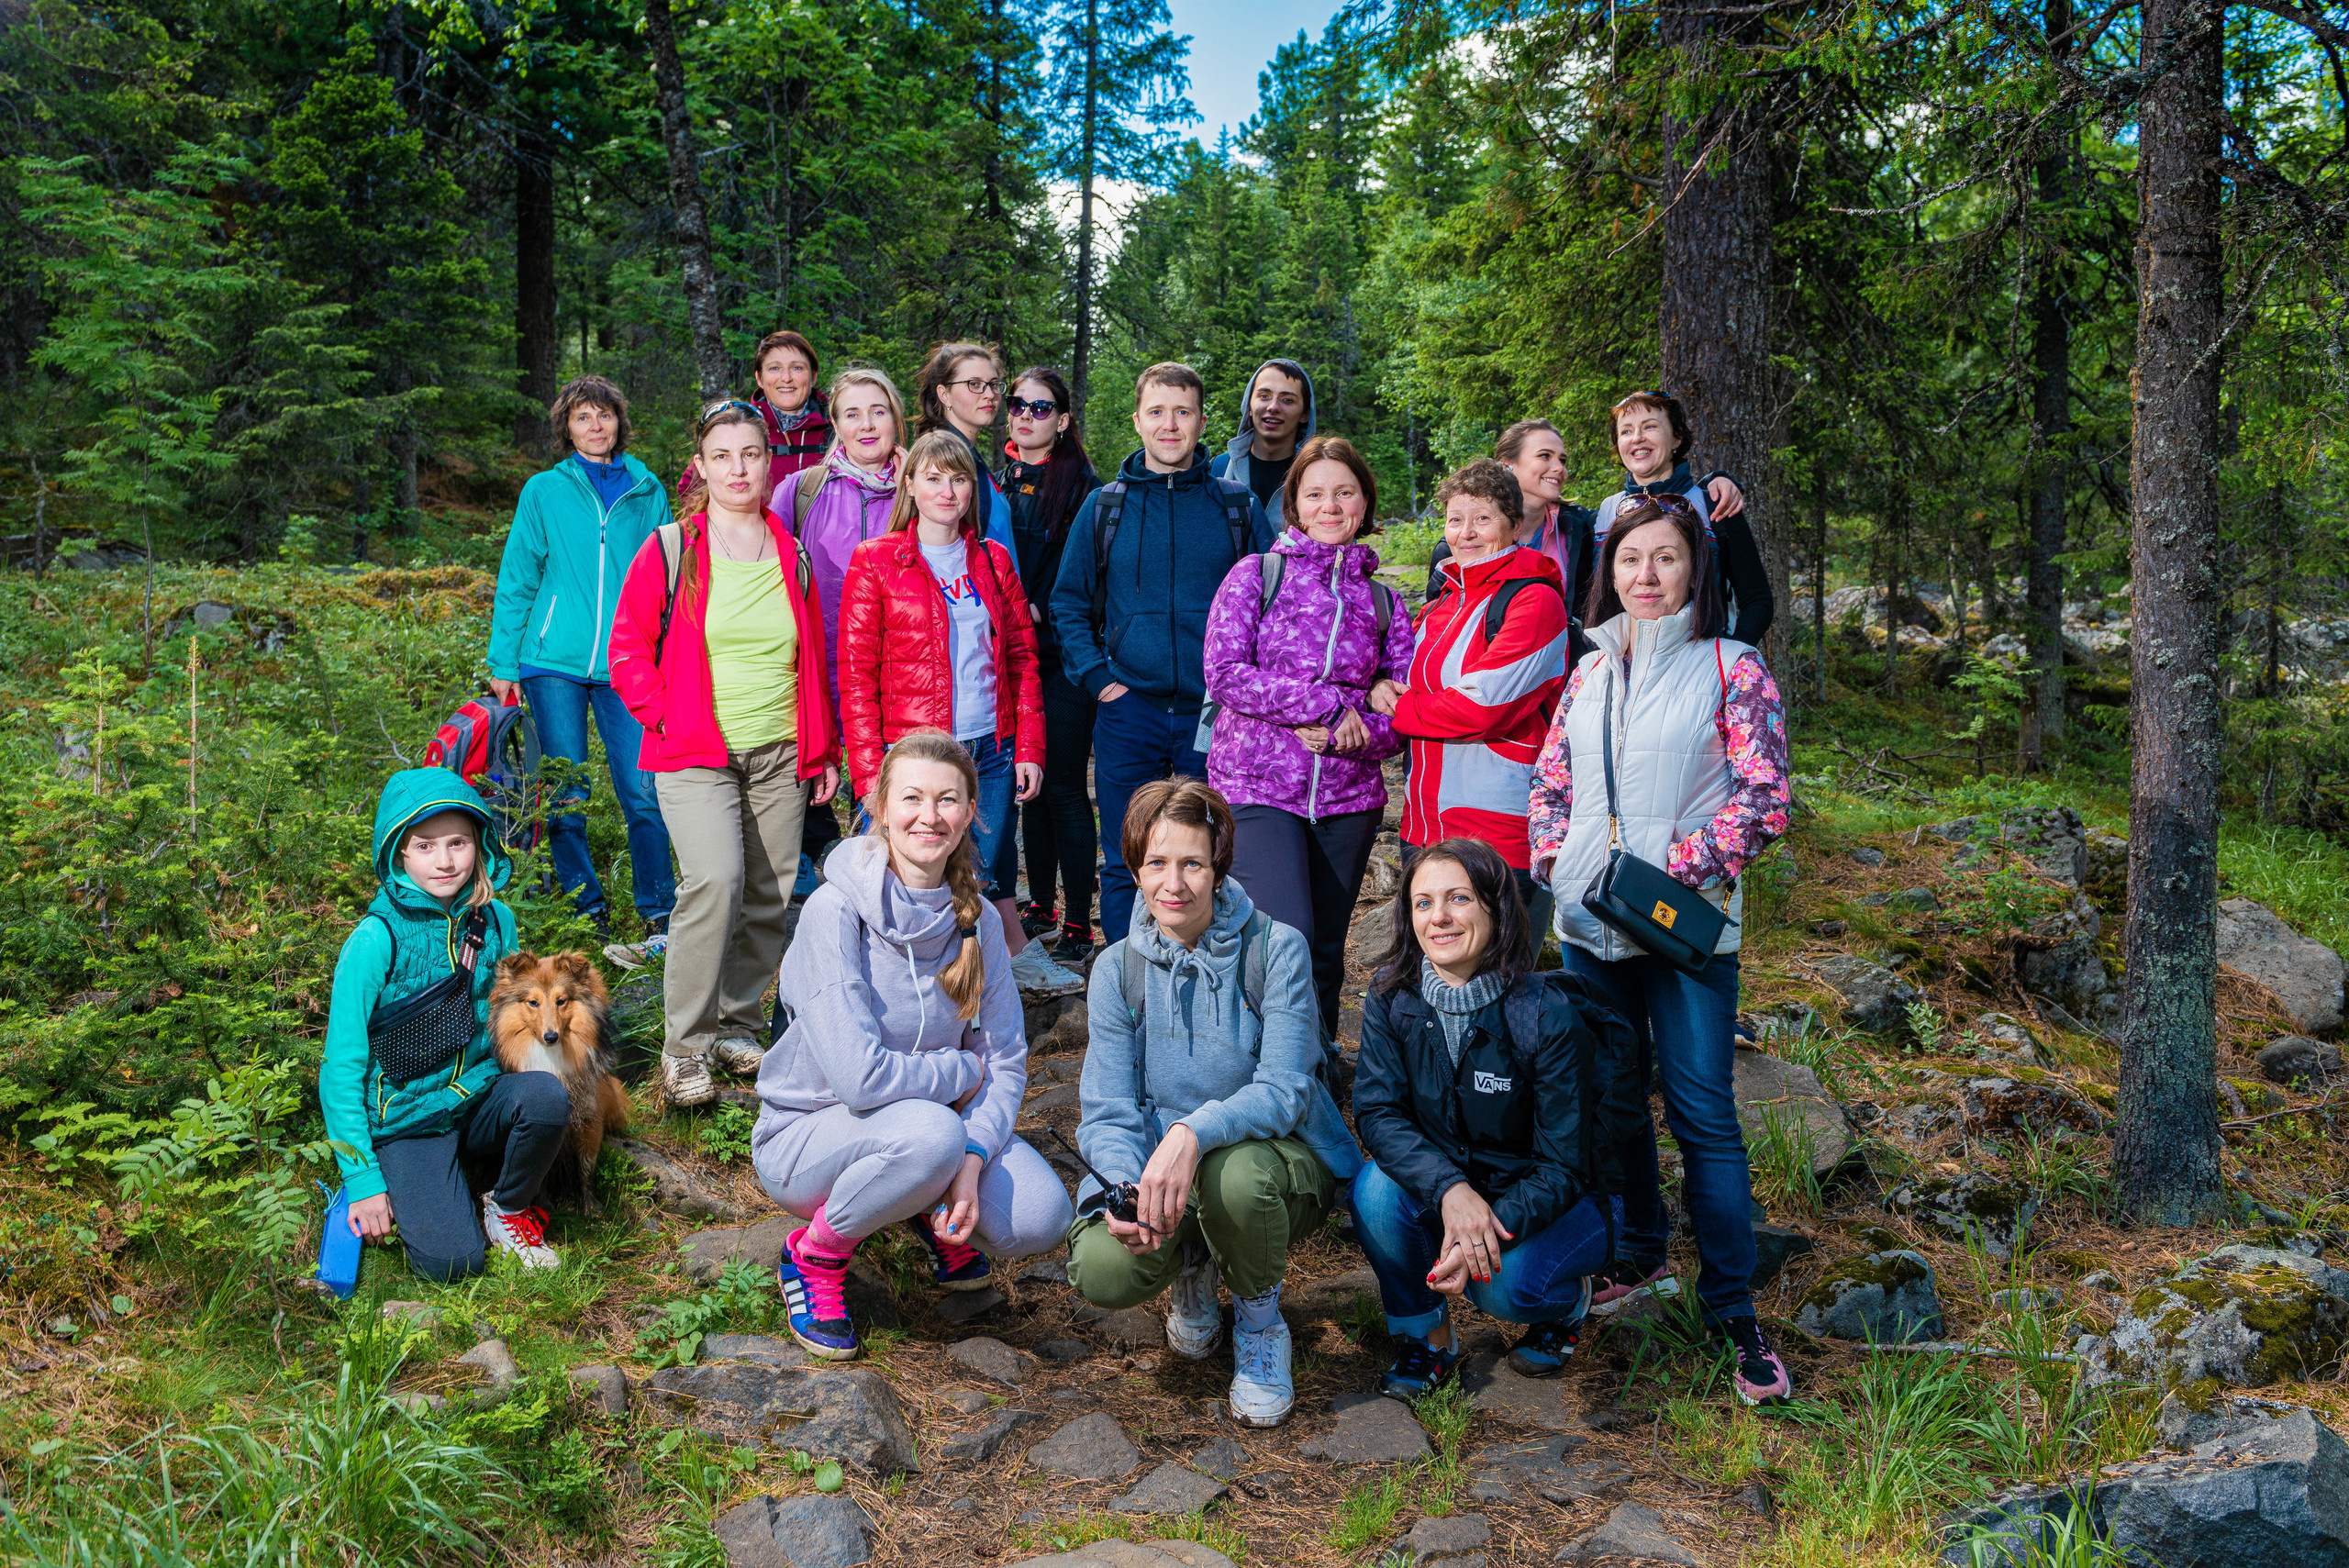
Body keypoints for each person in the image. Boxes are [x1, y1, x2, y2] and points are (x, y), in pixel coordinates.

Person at [1529, 493, 1795, 1407]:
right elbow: (1551, 780)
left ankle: (1734, 1313)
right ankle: (1638, 1255)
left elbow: (1763, 799)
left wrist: (1669, 871)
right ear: (1610, 571)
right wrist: (1551, 859)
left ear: (1695, 568)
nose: (1647, 575)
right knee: (1611, 1105)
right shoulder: (1589, 670)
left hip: (1684, 930)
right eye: (1631, 559)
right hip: (1589, 929)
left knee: (1703, 1114)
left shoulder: (1733, 666)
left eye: (1666, 558)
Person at [755, 732, 1075, 1359]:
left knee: (1042, 1214)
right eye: (912, 797)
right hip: (808, 1136)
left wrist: (975, 1155)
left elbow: (1006, 1059)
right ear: (877, 805)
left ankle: (918, 1193)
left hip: (933, 1131)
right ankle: (815, 1254)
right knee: (933, 1135)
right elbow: (860, 1081)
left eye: (947, 799)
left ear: (969, 813)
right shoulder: (833, 911)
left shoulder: (978, 918)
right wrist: (959, 1069)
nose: (929, 816)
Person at [1067, 780, 1364, 1427]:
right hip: (1165, 1177)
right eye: (1156, 863)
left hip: (1270, 1166)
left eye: (1192, 862)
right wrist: (1124, 1185)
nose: (1173, 883)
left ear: (1219, 862)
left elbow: (1286, 1088)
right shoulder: (1117, 970)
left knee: (1235, 1174)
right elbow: (1109, 1108)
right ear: (1135, 868)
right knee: (1100, 1265)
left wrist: (1190, 1133)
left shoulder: (1274, 947)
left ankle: (1259, 1321)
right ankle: (1194, 1262)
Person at [607, 399, 841, 1109]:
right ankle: (685, 1048)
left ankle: (738, 1025)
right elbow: (626, 651)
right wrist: (665, 718)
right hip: (695, 750)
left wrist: (821, 747)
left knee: (771, 892)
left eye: (751, 454)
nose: (738, 468)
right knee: (714, 881)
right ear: (702, 466)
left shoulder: (793, 552)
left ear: (769, 463)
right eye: (723, 456)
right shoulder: (672, 548)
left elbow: (811, 660)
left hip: (780, 749)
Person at [1351, 838, 1636, 1397]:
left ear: (1495, 907)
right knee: (1375, 1191)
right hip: (1454, 1184)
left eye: (1458, 898)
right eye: (1423, 903)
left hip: (1561, 1199)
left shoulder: (1545, 1014)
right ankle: (1427, 1339)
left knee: (1503, 1292)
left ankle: (1569, 1304)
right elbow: (1379, 1113)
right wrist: (1451, 1191)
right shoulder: (1391, 998)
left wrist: (1479, 1231)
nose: (1440, 918)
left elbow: (1563, 1167)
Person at [836, 428, 1084, 995]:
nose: (947, 491)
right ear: (911, 485)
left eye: (959, 479)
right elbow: (855, 675)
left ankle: (977, 979)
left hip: (991, 751)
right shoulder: (876, 562)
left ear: (972, 489)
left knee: (982, 870)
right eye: (934, 477)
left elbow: (1020, 657)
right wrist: (871, 773)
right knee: (912, 874)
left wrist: (1028, 747)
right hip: (914, 755)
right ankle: (900, 983)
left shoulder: (993, 561)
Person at [1050, 361, 1274, 938]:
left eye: (1182, 412)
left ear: (1201, 422)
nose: (1169, 425)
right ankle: (1130, 986)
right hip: (1131, 710)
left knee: (1215, 852)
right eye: (1157, 412)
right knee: (1129, 855)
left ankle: (1212, 969)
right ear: (1138, 421)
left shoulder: (1237, 508)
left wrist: (1244, 689)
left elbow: (1274, 609)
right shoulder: (1106, 507)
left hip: (1216, 713)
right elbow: (1069, 604)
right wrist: (1101, 682)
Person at [1202, 434, 1414, 1037]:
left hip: (1349, 798)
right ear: (1293, 503)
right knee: (1284, 939)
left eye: (1344, 493)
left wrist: (1357, 736)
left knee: (1324, 950)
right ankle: (1265, 1072)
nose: (1330, 506)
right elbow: (1224, 674)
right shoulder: (1256, 575)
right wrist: (1327, 704)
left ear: (1364, 502)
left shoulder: (1383, 601)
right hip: (1258, 786)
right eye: (1315, 493)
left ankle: (1316, 1081)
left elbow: (1402, 712)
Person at [320, 768, 570, 1279]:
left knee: (548, 1098)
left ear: (479, 844)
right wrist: (365, 1179)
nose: (445, 861)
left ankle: (506, 1207)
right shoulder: (374, 940)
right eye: (425, 846)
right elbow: (340, 1068)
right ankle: (415, 1178)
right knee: (452, 1262)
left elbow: (511, 1015)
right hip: (408, 1119)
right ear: (398, 854)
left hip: (478, 1095)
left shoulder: (496, 919)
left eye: (458, 843)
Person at [485, 374, 674, 956]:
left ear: (620, 422)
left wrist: (666, 655)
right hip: (552, 662)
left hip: (627, 660)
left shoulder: (647, 489)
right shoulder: (544, 490)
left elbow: (668, 580)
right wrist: (504, 660)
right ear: (565, 428)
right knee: (566, 791)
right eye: (583, 417)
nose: (597, 426)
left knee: (643, 791)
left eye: (605, 415)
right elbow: (519, 576)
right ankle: (583, 910)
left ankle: (659, 915)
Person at [1392, 459, 1567, 918]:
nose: (1466, 532)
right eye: (1455, 519)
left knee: (1500, 978)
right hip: (1423, 822)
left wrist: (1398, 709)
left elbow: (1483, 706)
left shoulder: (1534, 599)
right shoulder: (1442, 602)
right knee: (1436, 977)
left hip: (1498, 831)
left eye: (1482, 518)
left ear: (1514, 526)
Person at [1422, 418, 1745, 649]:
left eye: (1562, 459)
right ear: (1508, 466)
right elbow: (1436, 630)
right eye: (1545, 457)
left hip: (1568, 676)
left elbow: (1648, 515)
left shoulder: (1579, 528)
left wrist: (1711, 484)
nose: (1559, 468)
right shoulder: (1458, 547)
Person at [785, 365, 910, 896]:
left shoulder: (918, 487)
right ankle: (801, 907)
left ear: (895, 420)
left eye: (877, 412)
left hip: (893, 673)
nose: (866, 425)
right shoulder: (802, 489)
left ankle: (883, 899)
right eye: (852, 414)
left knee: (884, 794)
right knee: (803, 789)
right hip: (812, 665)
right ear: (834, 423)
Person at [1002, 366, 1104, 962]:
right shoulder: (997, 480)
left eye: (1041, 408)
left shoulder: (1083, 488)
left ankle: (1076, 923)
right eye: (1018, 404)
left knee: (1064, 786)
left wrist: (1039, 609)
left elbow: (1085, 580)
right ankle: (1038, 900)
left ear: (1063, 420)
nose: (1026, 414)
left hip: (1063, 658)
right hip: (1010, 658)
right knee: (1029, 785)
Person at [1591, 392, 1774, 643]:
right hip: (1626, 666)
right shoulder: (1607, 511)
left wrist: (1729, 660)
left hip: (1702, 661)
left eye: (1650, 427)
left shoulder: (1714, 504)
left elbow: (1758, 600)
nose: (1637, 438)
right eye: (1626, 431)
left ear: (1677, 438)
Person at [675, 328, 832, 501]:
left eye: (797, 368)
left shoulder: (838, 428)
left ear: (813, 376)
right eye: (774, 368)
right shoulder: (740, 425)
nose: (786, 378)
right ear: (759, 378)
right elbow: (689, 489)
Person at [915, 339, 1016, 551]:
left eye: (994, 384)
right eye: (975, 384)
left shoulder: (969, 456)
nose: (990, 394)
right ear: (945, 395)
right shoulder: (940, 461)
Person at [1210, 359, 1312, 530]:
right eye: (1264, 396)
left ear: (1305, 414)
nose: (1273, 407)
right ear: (1248, 405)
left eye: (1287, 400)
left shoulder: (1318, 477)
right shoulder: (1217, 471)